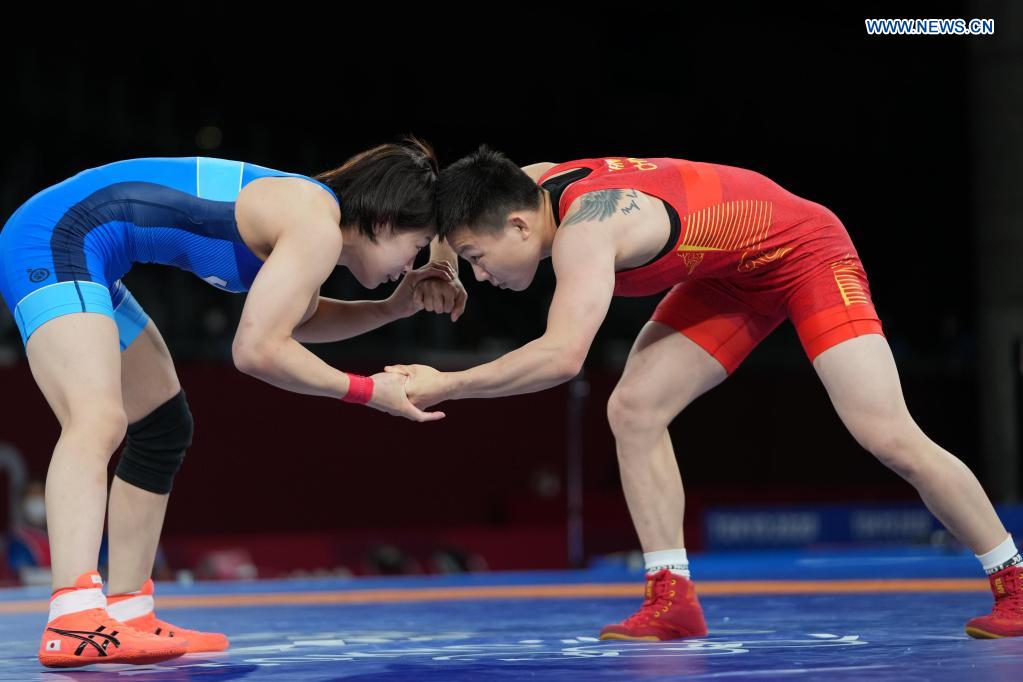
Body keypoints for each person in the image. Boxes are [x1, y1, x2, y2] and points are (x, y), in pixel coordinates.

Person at [385, 147, 1023, 641]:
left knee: (886, 432)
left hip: (806, 253)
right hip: (729, 275)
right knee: (634, 409)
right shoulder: (527, 185)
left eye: (476, 256)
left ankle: (1015, 582)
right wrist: (439, 262)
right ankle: (672, 599)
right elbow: (455, 204)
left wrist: (449, 383)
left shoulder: (587, 232)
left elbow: (562, 358)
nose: (480, 274)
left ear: (521, 226)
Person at [0, 138, 465, 668]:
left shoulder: (314, 222)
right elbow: (257, 350)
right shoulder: (315, 225)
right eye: (417, 245)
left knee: (162, 425)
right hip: (54, 237)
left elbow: (296, 320)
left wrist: (391, 308)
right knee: (97, 418)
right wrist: (367, 391)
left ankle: (128, 611)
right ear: (383, 220)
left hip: (82, 247)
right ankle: (73, 616)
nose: (410, 265)